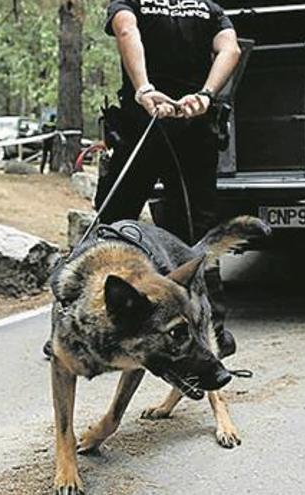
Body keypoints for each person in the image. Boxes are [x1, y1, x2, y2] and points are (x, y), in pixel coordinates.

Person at [97, 0, 242, 355]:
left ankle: (93, 326)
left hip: (141, 127)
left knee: (113, 225)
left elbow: (127, 30)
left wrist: (144, 88)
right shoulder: (207, 7)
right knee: (196, 234)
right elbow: (231, 48)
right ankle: (213, 331)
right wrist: (206, 95)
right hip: (192, 129)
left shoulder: (131, 2)